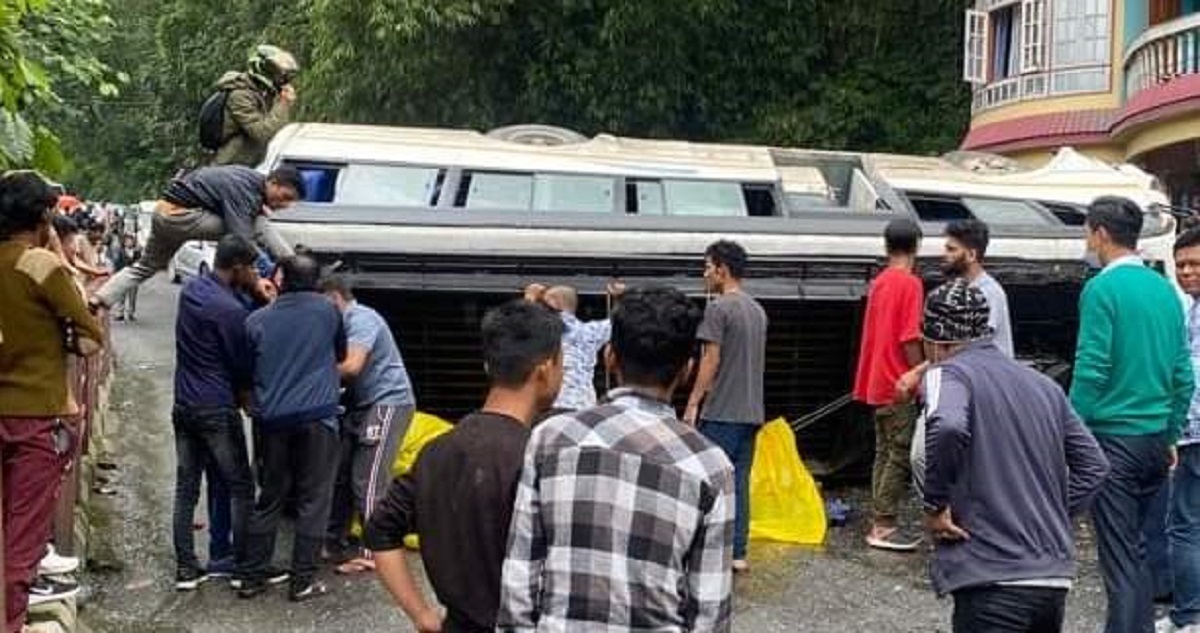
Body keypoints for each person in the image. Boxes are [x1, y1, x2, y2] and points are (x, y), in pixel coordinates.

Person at [498, 285, 736, 632]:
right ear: (686, 370)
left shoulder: (551, 439)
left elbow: (519, 580)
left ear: (610, 357)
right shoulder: (711, 467)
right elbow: (710, 615)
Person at [920, 278, 1109, 633]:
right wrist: (1050, 513)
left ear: (934, 340)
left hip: (992, 579)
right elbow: (1094, 466)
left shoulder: (946, 373)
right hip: (1050, 582)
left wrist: (935, 505)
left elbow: (946, 426)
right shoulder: (1044, 385)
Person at [364, 300, 563, 632]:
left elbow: (379, 531)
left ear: (488, 367)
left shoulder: (436, 451)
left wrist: (422, 615)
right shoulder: (540, 457)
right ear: (545, 370)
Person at [1069, 196, 1193, 633]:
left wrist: (1069, 432)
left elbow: (1091, 368)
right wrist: (1172, 432)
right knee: (1139, 552)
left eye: (1087, 231)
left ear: (1100, 233)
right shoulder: (1166, 290)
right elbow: (1184, 374)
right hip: (1156, 440)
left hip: (1112, 439)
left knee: (1121, 563)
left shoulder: (1101, 288)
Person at [0, 170, 104, 632]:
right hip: (39, 415)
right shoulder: (39, 265)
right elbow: (89, 335)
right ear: (43, 216)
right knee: (23, 537)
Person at [240, 254, 346, 602]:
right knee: (314, 499)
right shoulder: (328, 311)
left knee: (269, 498)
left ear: (280, 279)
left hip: (272, 421)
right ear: (316, 281)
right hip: (319, 418)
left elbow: (245, 373)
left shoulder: (255, 320)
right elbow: (341, 354)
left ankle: (252, 578)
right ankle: (301, 581)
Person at [170, 235, 261, 590]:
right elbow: (241, 364)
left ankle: (186, 569)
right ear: (237, 266)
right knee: (240, 485)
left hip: (184, 404)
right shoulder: (231, 311)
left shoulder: (192, 290)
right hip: (217, 405)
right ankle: (241, 565)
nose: (254, 273)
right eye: (251, 267)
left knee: (186, 489)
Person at [92, 164, 303, 311]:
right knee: (254, 226)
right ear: (273, 182)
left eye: (290, 202)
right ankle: (295, 265)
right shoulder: (246, 190)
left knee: (145, 267)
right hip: (180, 216)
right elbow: (242, 241)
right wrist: (257, 279)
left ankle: (100, 298)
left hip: (162, 212)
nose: (283, 205)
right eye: (285, 197)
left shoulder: (247, 179)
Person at [906, 218, 1015, 494]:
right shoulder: (958, 292)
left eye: (952, 249)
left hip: (981, 389)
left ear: (972, 254)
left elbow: (964, 347)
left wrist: (917, 372)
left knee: (926, 454)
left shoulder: (988, 294)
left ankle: (944, 511)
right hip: (961, 383)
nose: (945, 255)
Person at [320, 275, 418, 574]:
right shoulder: (340, 324)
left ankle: (377, 550)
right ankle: (334, 542)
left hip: (387, 402)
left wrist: (308, 371)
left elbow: (352, 366)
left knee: (370, 477)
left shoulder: (362, 319)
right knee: (342, 475)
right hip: (361, 405)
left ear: (335, 297)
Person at [684, 240, 767, 572]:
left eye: (708, 266)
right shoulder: (757, 310)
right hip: (752, 411)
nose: (705, 273)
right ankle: (738, 551)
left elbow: (710, 359)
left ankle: (703, 550)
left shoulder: (718, 308)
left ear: (722, 269)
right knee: (740, 483)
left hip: (721, 410)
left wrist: (692, 403)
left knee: (708, 482)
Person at [853, 218, 925, 552]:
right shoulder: (909, 284)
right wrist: (919, 370)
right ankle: (883, 525)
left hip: (875, 379)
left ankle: (879, 517)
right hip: (899, 381)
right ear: (917, 246)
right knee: (898, 454)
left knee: (883, 452)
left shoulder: (879, 282)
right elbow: (910, 336)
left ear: (886, 246)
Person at [1159, 227, 1200, 633]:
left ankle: (1188, 616)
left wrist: (1171, 430)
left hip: (1194, 434)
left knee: (1185, 525)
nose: (1186, 272)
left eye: (1194, 265)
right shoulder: (1189, 308)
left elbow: (1191, 380)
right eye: (1181, 265)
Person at [523, 281, 623, 413]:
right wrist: (620, 298)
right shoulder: (590, 331)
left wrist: (530, 297)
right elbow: (622, 322)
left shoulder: (548, 327)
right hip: (584, 407)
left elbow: (521, 324)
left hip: (553, 405)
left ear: (555, 304)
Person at [213, 45, 299, 167]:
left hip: (252, 165)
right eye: (275, 72)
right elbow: (262, 133)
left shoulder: (265, 93)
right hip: (232, 166)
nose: (280, 78)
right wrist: (283, 104)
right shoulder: (240, 95)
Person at [112, 233, 142, 321]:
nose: (129, 242)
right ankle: (119, 313)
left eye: (131, 241)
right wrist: (115, 274)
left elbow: (140, 263)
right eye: (127, 241)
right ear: (124, 242)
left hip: (134, 276)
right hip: (123, 276)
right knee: (121, 295)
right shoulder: (121, 251)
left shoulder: (137, 252)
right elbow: (117, 264)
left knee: (132, 296)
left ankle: (131, 313)